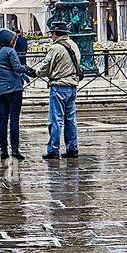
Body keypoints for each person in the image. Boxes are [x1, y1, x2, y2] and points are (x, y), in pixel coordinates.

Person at [35, 21, 82, 160]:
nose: (51, 37)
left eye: (52, 34)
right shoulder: (74, 45)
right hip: (72, 87)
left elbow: (45, 67)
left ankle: (53, 149)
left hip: (59, 86)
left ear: (55, 34)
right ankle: (72, 148)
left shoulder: (55, 48)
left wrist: (36, 72)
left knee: (56, 120)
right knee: (70, 120)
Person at [0, 28, 33, 161]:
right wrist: (28, 69)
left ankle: (3, 151)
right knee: (14, 120)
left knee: (2, 121)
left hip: (0, 92)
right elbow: (18, 68)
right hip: (14, 90)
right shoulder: (10, 51)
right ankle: (15, 150)